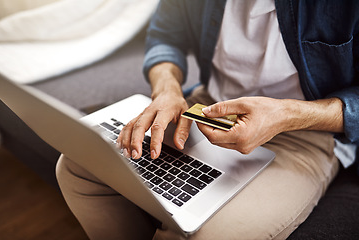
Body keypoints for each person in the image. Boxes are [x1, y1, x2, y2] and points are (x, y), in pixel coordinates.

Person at [56, 0, 359, 239]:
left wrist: (289, 114)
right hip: (204, 105)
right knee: (78, 166)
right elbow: (165, 36)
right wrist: (167, 89)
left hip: (307, 131)